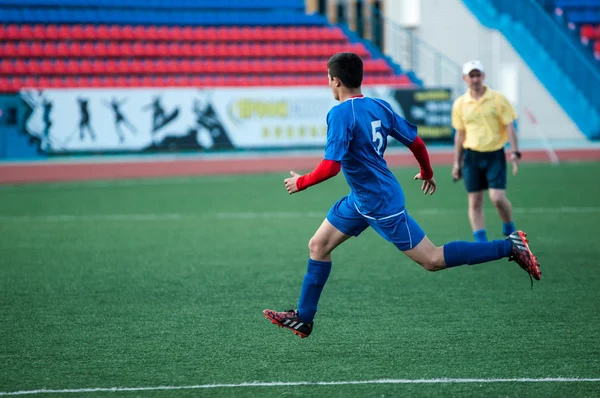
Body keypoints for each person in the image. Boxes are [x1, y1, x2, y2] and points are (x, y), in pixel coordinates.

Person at [263, 53, 541, 339]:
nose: (329, 84)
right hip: (361, 199)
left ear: (335, 81)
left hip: (381, 203)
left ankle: (509, 246)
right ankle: (304, 318)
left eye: (328, 79)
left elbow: (332, 167)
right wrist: (427, 171)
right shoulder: (379, 106)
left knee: (432, 259)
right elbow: (416, 142)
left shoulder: (339, 113)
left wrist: (302, 182)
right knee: (318, 245)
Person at [451, 60, 520, 243]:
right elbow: (460, 134)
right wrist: (456, 162)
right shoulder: (460, 104)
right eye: (471, 76)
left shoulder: (498, 99)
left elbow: (509, 126)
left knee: (497, 197)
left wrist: (515, 151)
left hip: (494, 154)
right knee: (475, 201)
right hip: (471, 155)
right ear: (464, 78)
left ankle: (509, 226)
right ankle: (481, 242)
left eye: (477, 75)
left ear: (483, 76)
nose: (475, 79)